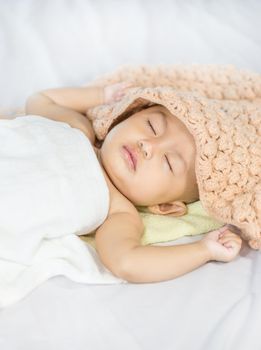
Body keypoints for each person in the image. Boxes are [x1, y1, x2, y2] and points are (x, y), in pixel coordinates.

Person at [24, 82, 242, 283]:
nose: (148, 146)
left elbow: (126, 262)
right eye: (152, 126)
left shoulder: (117, 212)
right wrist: (102, 95)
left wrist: (204, 250)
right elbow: (40, 100)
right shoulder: (77, 130)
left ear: (165, 206)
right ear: (125, 116)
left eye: (168, 162)